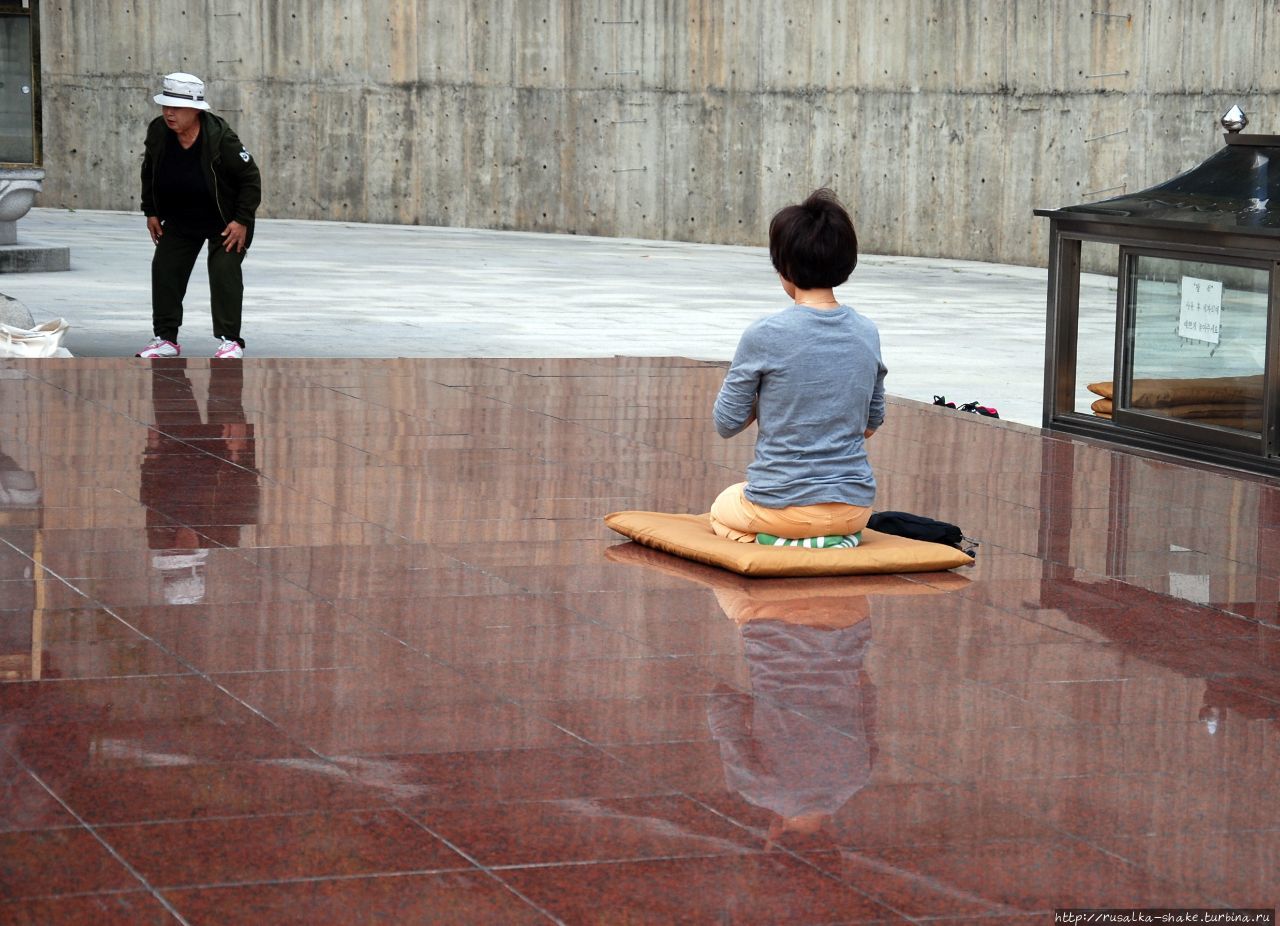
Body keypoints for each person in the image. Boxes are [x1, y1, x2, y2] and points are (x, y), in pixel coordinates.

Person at [710, 188, 886, 546]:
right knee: (781, 508)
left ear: (783, 267)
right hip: (854, 509)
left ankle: (780, 542)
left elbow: (726, 424)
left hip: (782, 506)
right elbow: (871, 424)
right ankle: (829, 539)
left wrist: (768, 400)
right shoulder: (867, 332)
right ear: (845, 262)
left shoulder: (764, 334)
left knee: (722, 507)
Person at [137, 72, 261, 360]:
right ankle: (165, 339)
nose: (169, 113)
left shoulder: (221, 138)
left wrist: (241, 220)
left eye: (176, 108)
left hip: (225, 221)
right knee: (165, 268)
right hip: (181, 217)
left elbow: (250, 178)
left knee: (224, 273)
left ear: (196, 110)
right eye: (166, 106)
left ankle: (230, 341)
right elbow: (149, 171)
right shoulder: (158, 131)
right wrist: (151, 211)